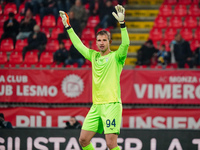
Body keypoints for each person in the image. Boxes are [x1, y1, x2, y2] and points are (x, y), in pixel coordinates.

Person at [59, 4, 129, 150]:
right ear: (96, 42)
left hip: (112, 105)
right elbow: (78, 44)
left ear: (109, 42)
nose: (101, 43)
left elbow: (126, 43)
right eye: (99, 40)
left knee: (111, 144)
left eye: (104, 40)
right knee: (83, 140)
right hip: (96, 106)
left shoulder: (117, 57)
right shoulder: (93, 55)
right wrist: (68, 27)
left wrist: (122, 24)